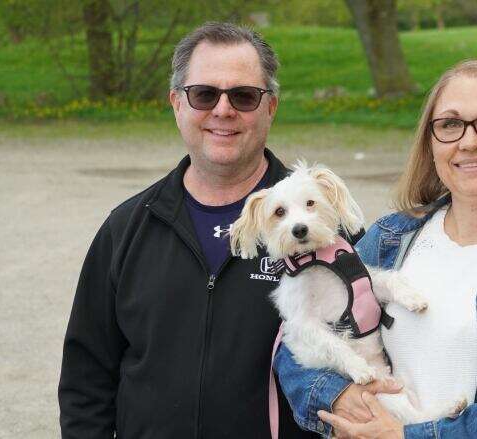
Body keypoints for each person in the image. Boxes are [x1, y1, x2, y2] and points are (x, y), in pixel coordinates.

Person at [273, 59, 477, 438]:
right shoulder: (389, 238)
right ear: (432, 143)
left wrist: (407, 437)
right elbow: (294, 346)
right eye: (450, 125)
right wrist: (340, 396)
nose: (469, 141)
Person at [58, 22, 319, 438]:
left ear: (270, 107)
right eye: (204, 94)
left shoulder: (324, 229)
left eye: (244, 96)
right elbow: (86, 378)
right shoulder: (126, 229)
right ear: (176, 103)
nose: (223, 110)